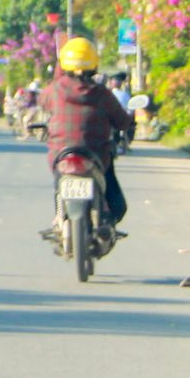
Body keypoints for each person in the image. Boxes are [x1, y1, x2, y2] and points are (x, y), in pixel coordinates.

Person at [42, 37, 130, 233]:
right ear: (94, 63)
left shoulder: (54, 90)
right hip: (96, 155)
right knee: (115, 199)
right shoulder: (102, 93)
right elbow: (122, 121)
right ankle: (105, 218)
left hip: (61, 156)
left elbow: (43, 103)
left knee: (59, 180)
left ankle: (59, 215)